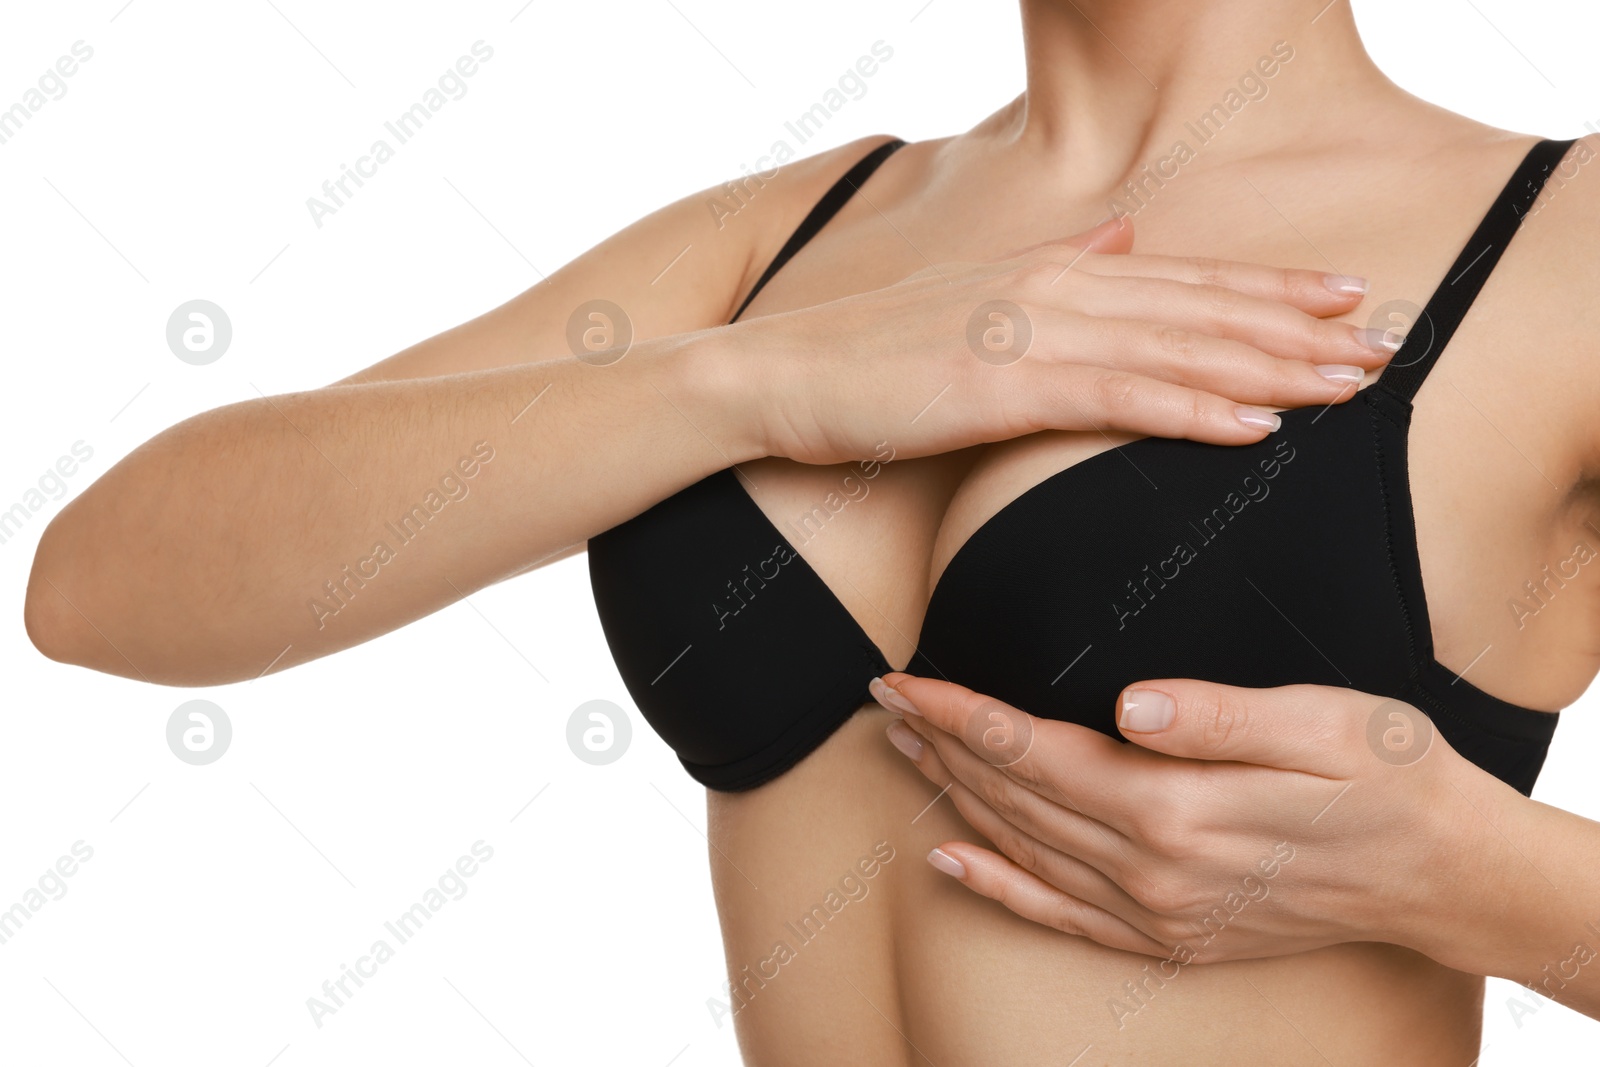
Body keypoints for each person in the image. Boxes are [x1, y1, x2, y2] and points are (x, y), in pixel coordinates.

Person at [23, 1, 1598, 1063]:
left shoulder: (1557, 237)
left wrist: (1465, 875)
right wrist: (761, 378)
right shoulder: (792, 241)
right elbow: (101, 583)